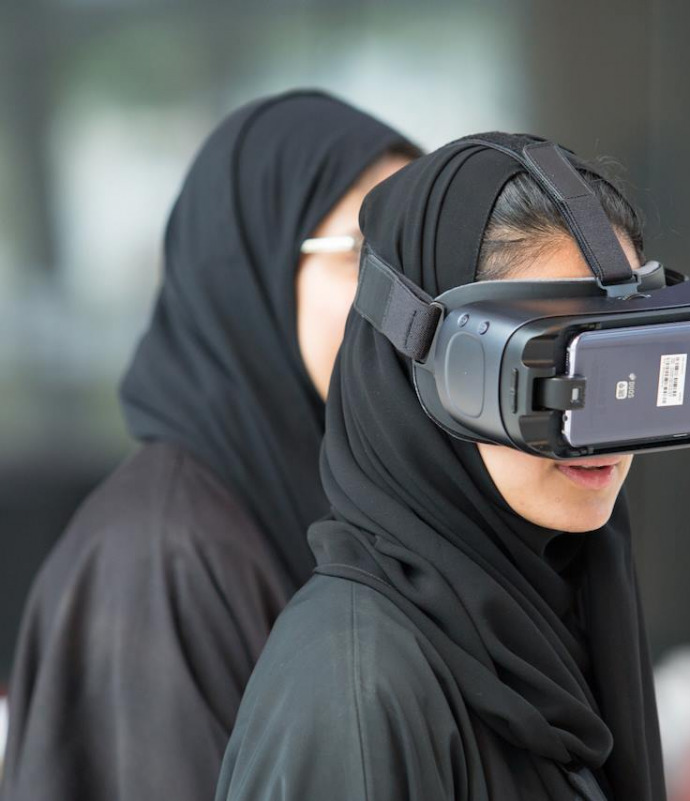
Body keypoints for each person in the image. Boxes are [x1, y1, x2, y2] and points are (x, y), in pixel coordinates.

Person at [214, 134, 667, 800]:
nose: (599, 425)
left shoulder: (570, 620)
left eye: (626, 361)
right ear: (425, 367)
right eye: (549, 365)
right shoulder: (357, 691)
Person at [0, 90, 421, 801]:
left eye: (420, 255)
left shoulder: (357, 501)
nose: (409, 300)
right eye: (365, 253)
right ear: (249, 267)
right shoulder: (160, 555)